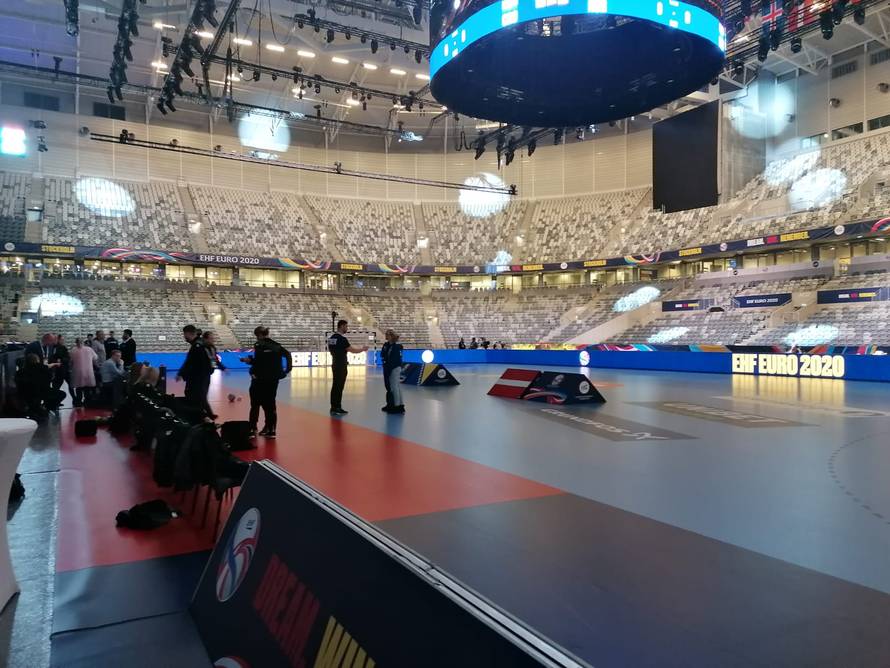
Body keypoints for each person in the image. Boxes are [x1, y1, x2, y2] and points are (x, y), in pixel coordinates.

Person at [242, 325, 292, 438]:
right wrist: (287, 370)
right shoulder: (276, 345)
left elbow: (259, 363)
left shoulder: (259, 345)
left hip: (260, 379)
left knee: (255, 404)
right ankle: (271, 430)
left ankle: (252, 428)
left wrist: (250, 363)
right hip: (273, 380)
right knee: (270, 405)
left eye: (256, 336)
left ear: (259, 335)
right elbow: (287, 354)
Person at [327, 319, 368, 416]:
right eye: (346, 326)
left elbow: (331, 351)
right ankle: (337, 407)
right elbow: (352, 350)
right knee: (339, 386)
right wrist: (362, 349)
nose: (347, 328)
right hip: (341, 365)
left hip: (335, 363)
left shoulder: (331, 338)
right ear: (341, 326)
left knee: (335, 386)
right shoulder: (342, 339)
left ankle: (333, 406)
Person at [177, 324, 213, 416]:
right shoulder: (201, 343)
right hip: (203, 378)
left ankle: (206, 419)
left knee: (196, 400)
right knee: (201, 399)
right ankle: (208, 418)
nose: (184, 337)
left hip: (197, 379)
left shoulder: (197, 346)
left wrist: (182, 373)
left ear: (188, 333)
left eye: (184, 334)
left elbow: (190, 362)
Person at [380, 329, 405, 414]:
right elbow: (383, 354)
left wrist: (389, 369)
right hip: (388, 367)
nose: (385, 335)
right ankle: (395, 404)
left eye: (387, 334)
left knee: (395, 387)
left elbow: (394, 359)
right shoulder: (386, 345)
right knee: (394, 387)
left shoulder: (396, 346)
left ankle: (397, 406)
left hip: (394, 368)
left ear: (391, 336)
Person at [70, 337, 98, 407]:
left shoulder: (73, 350)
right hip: (88, 372)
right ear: (83, 342)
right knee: (87, 388)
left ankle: (79, 402)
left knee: (78, 388)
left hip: (77, 372)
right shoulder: (89, 349)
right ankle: (87, 402)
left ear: (76, 342)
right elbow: (95, 358)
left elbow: (71, 361)